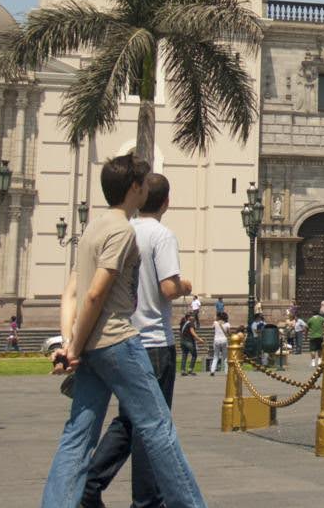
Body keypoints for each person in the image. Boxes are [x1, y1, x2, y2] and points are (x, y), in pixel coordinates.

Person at [40, 154, 206, 507]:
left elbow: (71, 291)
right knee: (158, 428)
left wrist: (72, 344)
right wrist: (73, 349)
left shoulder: (92, 230)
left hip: (91, 350)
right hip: (118, 342)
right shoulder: (121, 231)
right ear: (134, 187)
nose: (147, 189)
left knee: (78, 434)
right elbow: (96, 293)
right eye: (144, 183)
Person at [80, 172, 193, 508]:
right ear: (167, 202)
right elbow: (168, 289)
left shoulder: (124, 231)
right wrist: (186, 286)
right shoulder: (161, 235)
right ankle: (146, 500)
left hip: (125, 339)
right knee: (153, 426)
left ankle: (92, 482)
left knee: (131, 419)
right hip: (156, 342)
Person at [178, 306, 200, 376]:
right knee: (194, 355)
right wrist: (199, 339)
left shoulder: (183, 323)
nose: (194, 317)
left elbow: (180, 333)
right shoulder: (190, 323)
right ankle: (190, 369)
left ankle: (183, 370)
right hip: (189, 342)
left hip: (182, 341)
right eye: (192, 316)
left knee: (184, 355)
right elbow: (192, 332)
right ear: (189, 317)